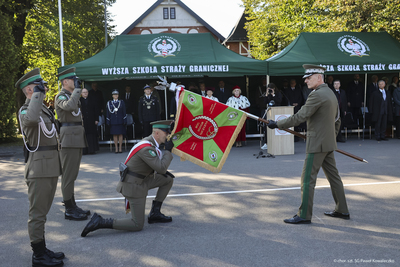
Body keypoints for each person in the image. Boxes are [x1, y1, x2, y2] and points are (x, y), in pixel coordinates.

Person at [267, 64, 349, 224]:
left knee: (307, 179)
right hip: (327, 142)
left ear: (319, 77)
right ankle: (342, 209)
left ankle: (304, 214)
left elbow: (299, 117)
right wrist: (331, 137)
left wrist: (277, 124)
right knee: (334, 177)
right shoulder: (330, 93)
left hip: (317, 143)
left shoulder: (316, 95)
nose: (305, 81)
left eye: (309, 78)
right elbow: (337, 119)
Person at [81, 120, 175, 237]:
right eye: (166, 132)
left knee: (168, 179)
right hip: (133, 186)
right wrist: (168, 151)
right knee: (137, 224)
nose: (168, 135)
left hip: (141, 180)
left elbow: (156, 167)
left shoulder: (150, 142)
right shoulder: (146, 148)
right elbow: (161, 168)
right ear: (157, 133)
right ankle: (100, 222)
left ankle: (155, 213)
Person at [16, 68, 65, 267]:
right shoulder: (26, 110)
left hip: (50, 166)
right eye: (39, 86)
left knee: (43, 213)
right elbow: (32, 121)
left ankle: (42, 248)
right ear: (30, 90)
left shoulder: (42, 108)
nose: (44, 88)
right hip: (39, 168)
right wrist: (36, 95)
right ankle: (38, 255)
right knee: (37, 214)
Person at [55, 67, 89, 221]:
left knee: (73, 175)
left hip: (76, 138)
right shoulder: (60, 96)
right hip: (68, 139)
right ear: (65, 81)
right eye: (73, 80)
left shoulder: (71, 95)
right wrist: (77, 91)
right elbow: (69, 107)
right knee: (68, 176)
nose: (76, 83)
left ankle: (72, 204)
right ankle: (69, 209)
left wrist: (76, 92)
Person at [260, 83, 282, 149]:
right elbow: (264, 102)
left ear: (274, 88)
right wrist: (266, 95)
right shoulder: (268, 94)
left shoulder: (278, 93)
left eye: (271, 89)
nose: (270, 90)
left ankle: (277, 142)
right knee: (267, 127)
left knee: (276, 127)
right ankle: (266, 142)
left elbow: (279, 101)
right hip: (269, 112)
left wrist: (273, 95)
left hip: (277, 112)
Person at [81, 88, 100, 154]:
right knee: (84, 135)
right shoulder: (79, 101)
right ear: (81, 93)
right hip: (83, 120)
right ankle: (85, 151)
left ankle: (92, 149)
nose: (85, 93)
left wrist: (96, 119)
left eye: (86, 92)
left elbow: (96, 110)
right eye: (84, 92)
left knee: (91, 135)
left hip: (92, 120)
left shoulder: (92, 100)